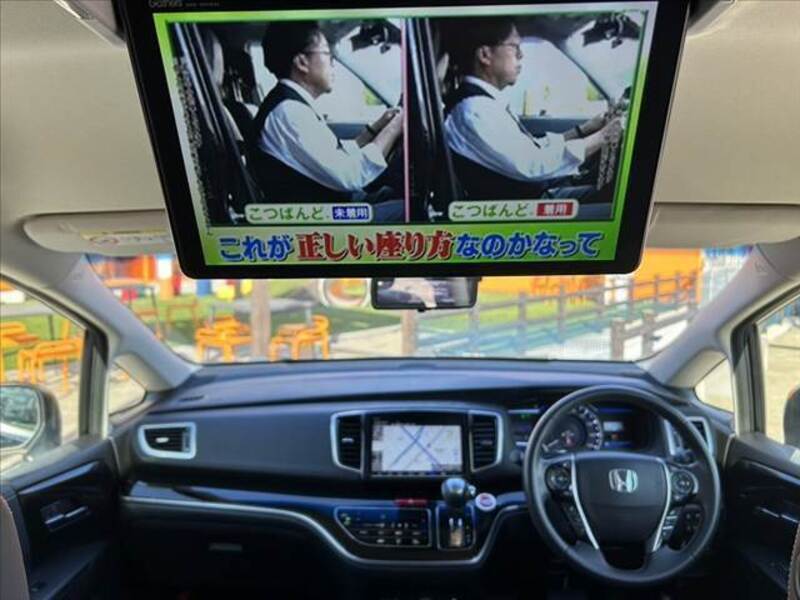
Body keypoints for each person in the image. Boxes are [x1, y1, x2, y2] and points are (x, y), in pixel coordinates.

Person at [441, 17, 621, 203]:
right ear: (485, 55)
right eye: (514, 47)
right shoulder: (474, 110)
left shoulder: (483, 104)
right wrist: (604, 136)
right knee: (615, 198)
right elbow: (533, 164)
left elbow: (530, 148)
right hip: (525, 206)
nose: (521, 55)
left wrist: (584, 130)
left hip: (534, 194)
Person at [250, 21, 404, 218]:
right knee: (413, 211)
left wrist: (376, 128)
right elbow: (351, 176)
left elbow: (334, 155)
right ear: (302, 62)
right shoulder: (289, 112)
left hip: (330, 205)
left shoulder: (292, 106)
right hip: (321, 221)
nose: (332, 63)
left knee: (393, 196)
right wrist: (394, 129)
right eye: (327, 54)